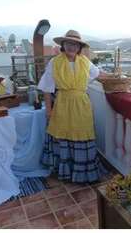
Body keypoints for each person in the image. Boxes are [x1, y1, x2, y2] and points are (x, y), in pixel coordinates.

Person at [38, 30, 108, 183]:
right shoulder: (55, 62)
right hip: (62, 104)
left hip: (81, 105)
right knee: (63, 137)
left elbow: (99, 74)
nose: (72, 46)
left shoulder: (85, 62)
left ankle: (83, 173)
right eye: (69, 43)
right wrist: (49, 110)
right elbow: (47, 88)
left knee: (83, 136)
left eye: (75, 44)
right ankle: (66, 172)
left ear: (79, 47)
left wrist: (115, 77)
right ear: (63, 44)